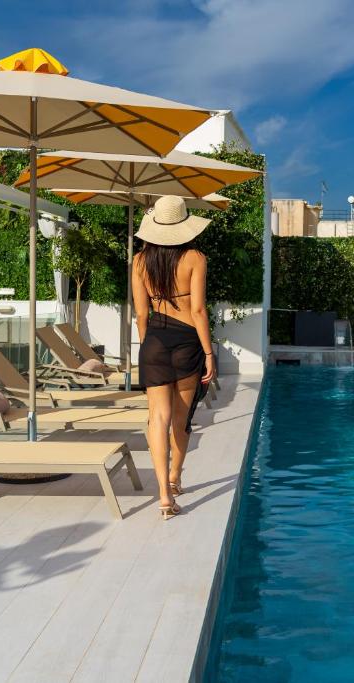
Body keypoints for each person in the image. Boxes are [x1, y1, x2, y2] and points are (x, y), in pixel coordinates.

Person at [132, 195, 217, 520]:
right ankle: (174, 478)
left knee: (157, 419)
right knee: (180, 420)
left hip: (154, 341)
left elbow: (141, 314)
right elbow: (198, 311)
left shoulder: (140, 261)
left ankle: (164, 496)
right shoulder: (195, 258)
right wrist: (208, 353)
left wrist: (147, 346)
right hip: (187, 344)